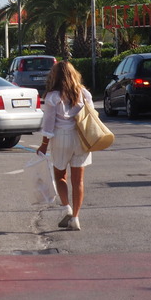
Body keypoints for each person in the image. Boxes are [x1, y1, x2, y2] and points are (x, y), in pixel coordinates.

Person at [36, 61, 93, 231]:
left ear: (55, 76)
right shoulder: (83, 93)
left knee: (60, 175)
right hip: (81, 137)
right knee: (78, 180)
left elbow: (49, 123)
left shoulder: (53, 96)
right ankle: (75, 217)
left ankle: (66, 207)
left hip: (61, 137)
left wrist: (44, 145)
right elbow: (90, 116)